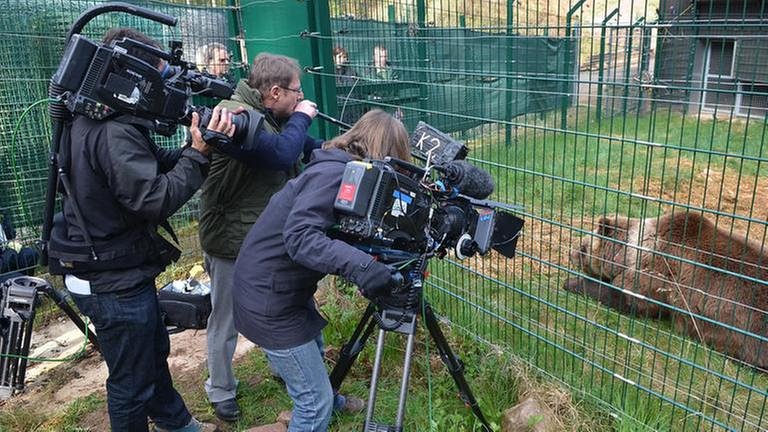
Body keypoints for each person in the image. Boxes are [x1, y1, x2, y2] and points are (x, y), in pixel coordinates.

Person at [49, 28, 234, 432]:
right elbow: (152, 198)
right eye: (158, 74)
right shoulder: (112, 130)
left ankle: (175, 422)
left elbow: (146, 163)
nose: (162, 86)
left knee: (150, 351)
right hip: (109, 276)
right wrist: (197, 159)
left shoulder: (98, 114)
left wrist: (191, 148)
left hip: (111, 263)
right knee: (130, 379)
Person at [232, 109, 410, 432]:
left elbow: (335, 231)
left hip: (275, 288)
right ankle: (321, 404)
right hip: (268, 302)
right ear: (384, 154)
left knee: (311, 342)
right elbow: (300, 238)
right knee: (314, 406)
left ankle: (328, 396)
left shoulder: (340, 165)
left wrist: (366, 259)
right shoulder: (334, 175)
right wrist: (361, 267)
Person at [198, 52, 324, 423]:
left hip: (262, 236)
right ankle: (221, 389)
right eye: (296, 93)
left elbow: (301, 146)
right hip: (231, 239)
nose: (301, 100)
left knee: (286, 305)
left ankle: (292, 370)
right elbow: (281, 153)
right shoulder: (235, 116)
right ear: (273, 92)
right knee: (226, 316)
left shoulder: (269, 115)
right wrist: (302, 117)